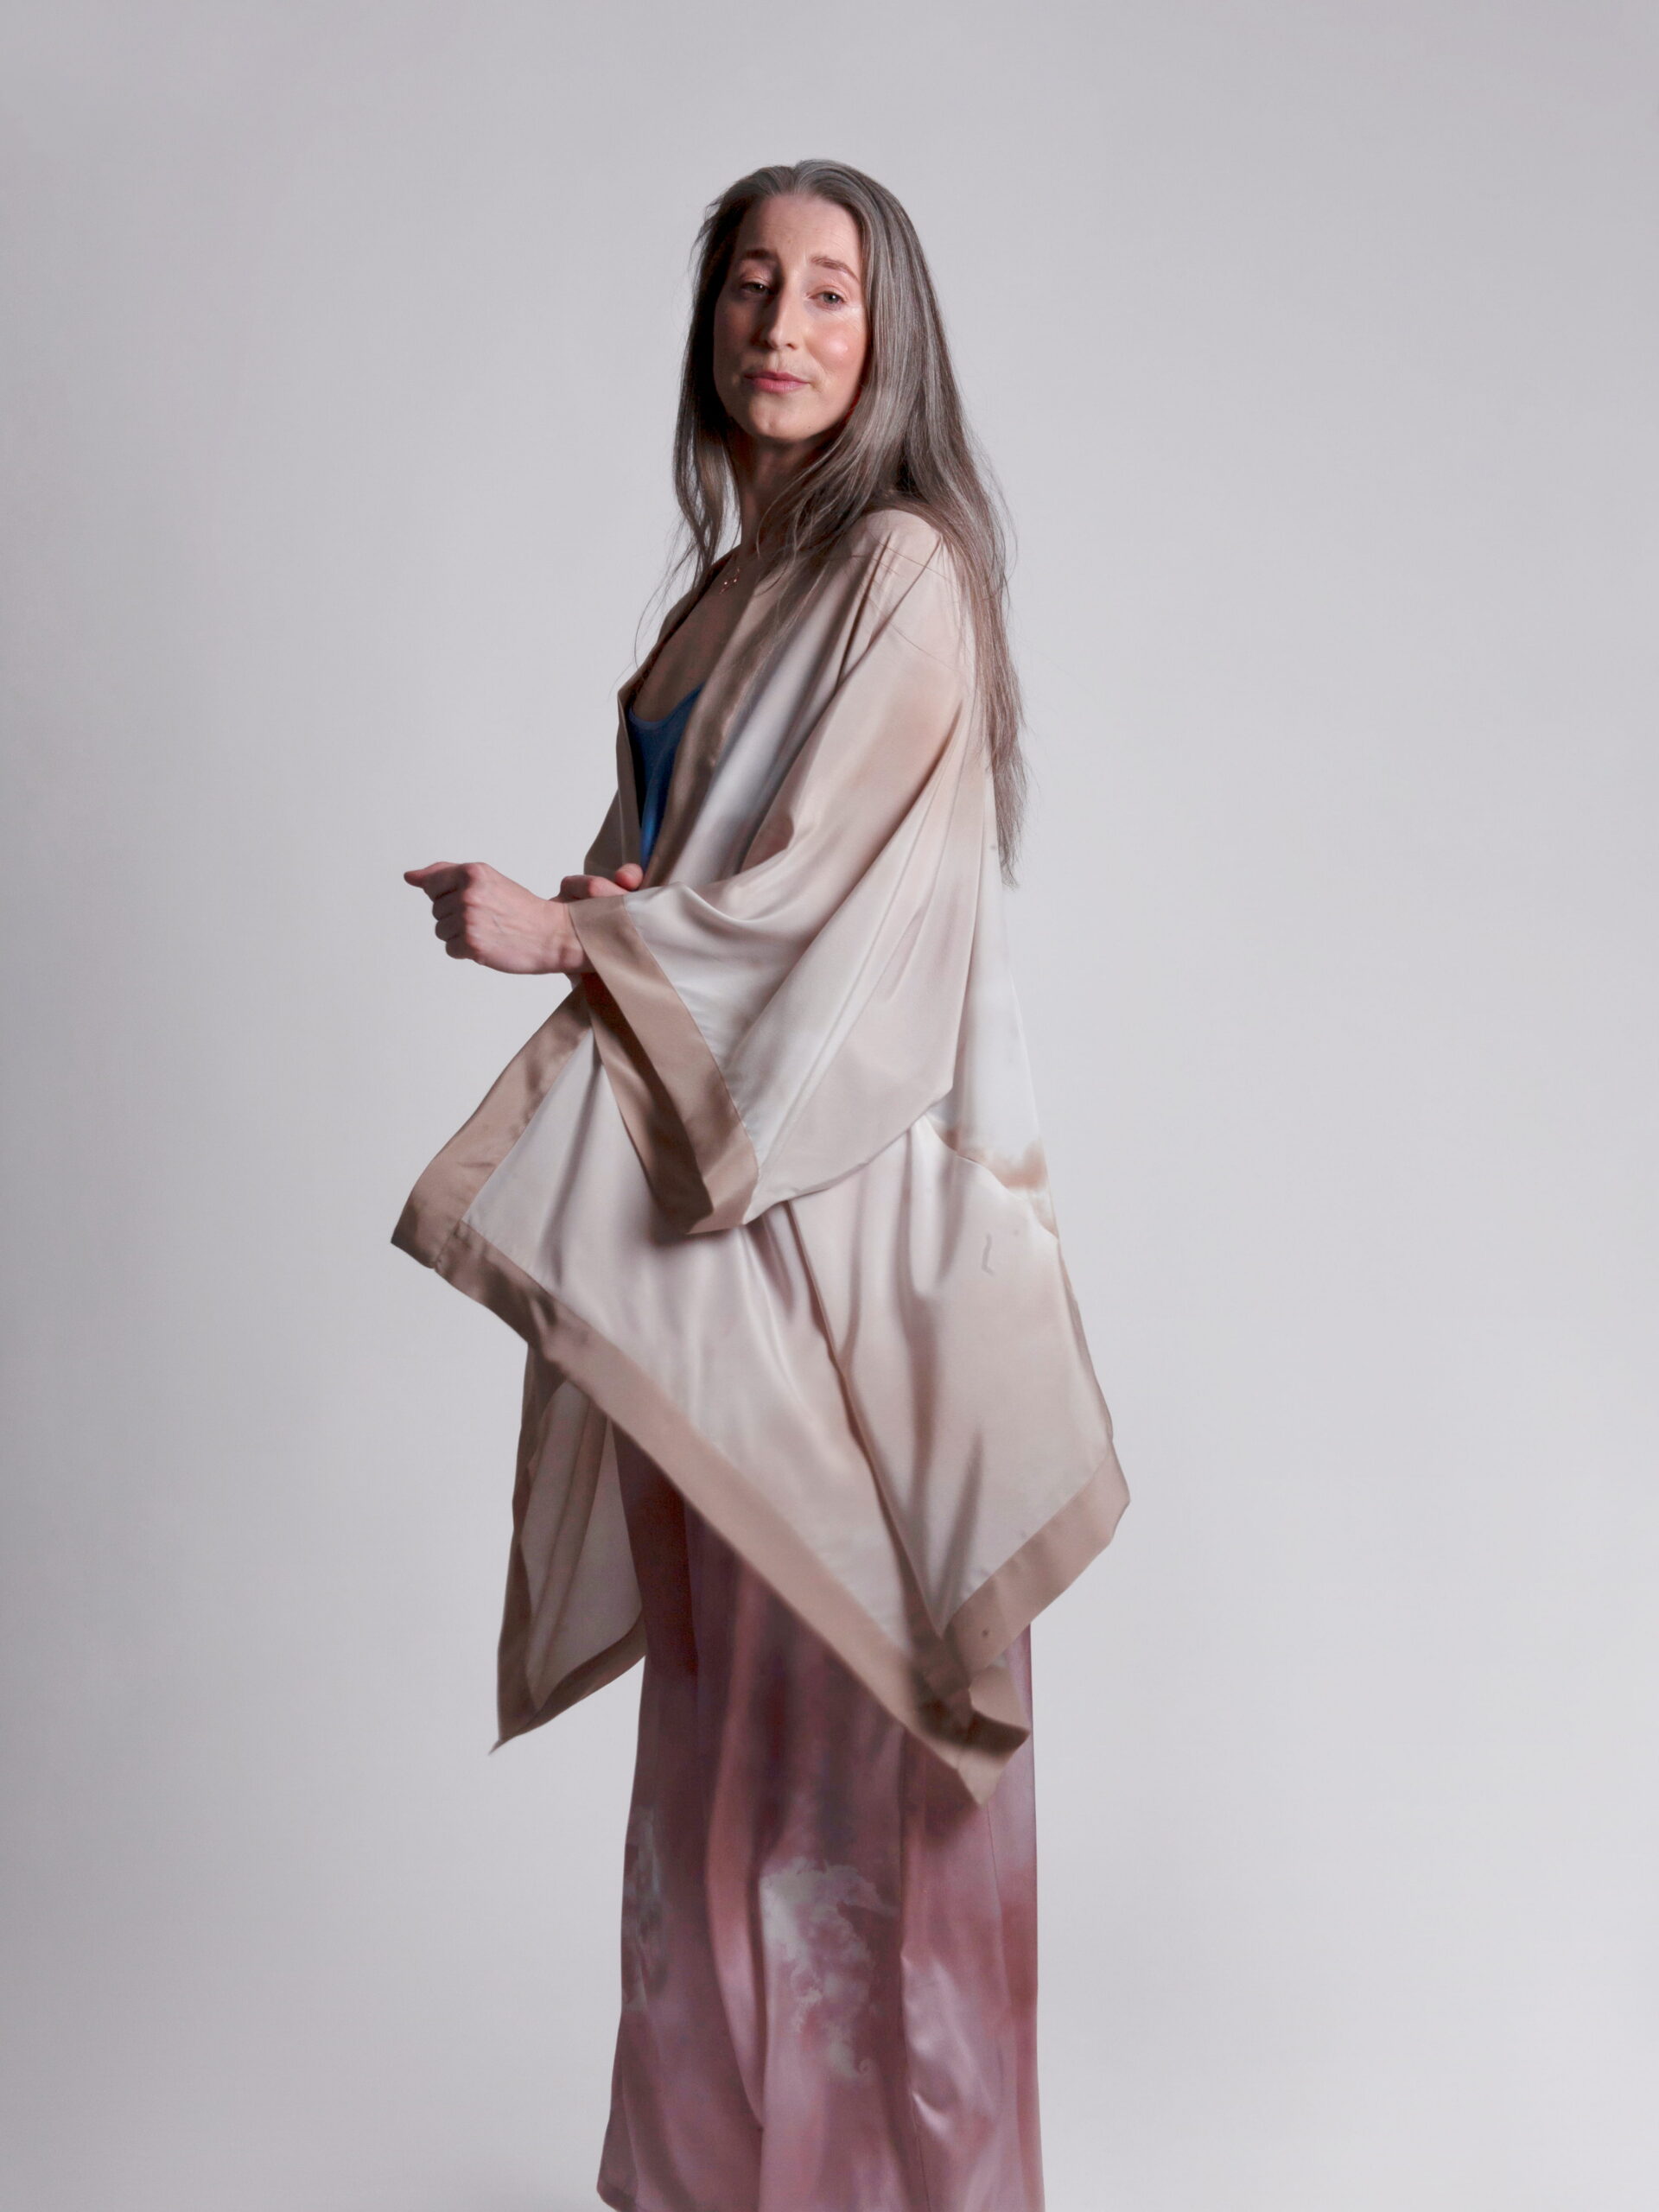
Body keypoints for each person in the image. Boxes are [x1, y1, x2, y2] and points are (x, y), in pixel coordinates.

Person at [398, 159, 1128, 2212]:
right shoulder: (732, 595)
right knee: (725, 1778)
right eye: (750, 285)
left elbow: (841, 933)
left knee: (861, 1793)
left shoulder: (905, 571)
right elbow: (716, 883)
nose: (782, 328)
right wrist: (625, 903)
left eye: (828, 292)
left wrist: (569, 932)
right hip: (711, 1248)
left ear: (889, 338)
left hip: (851, 1265)